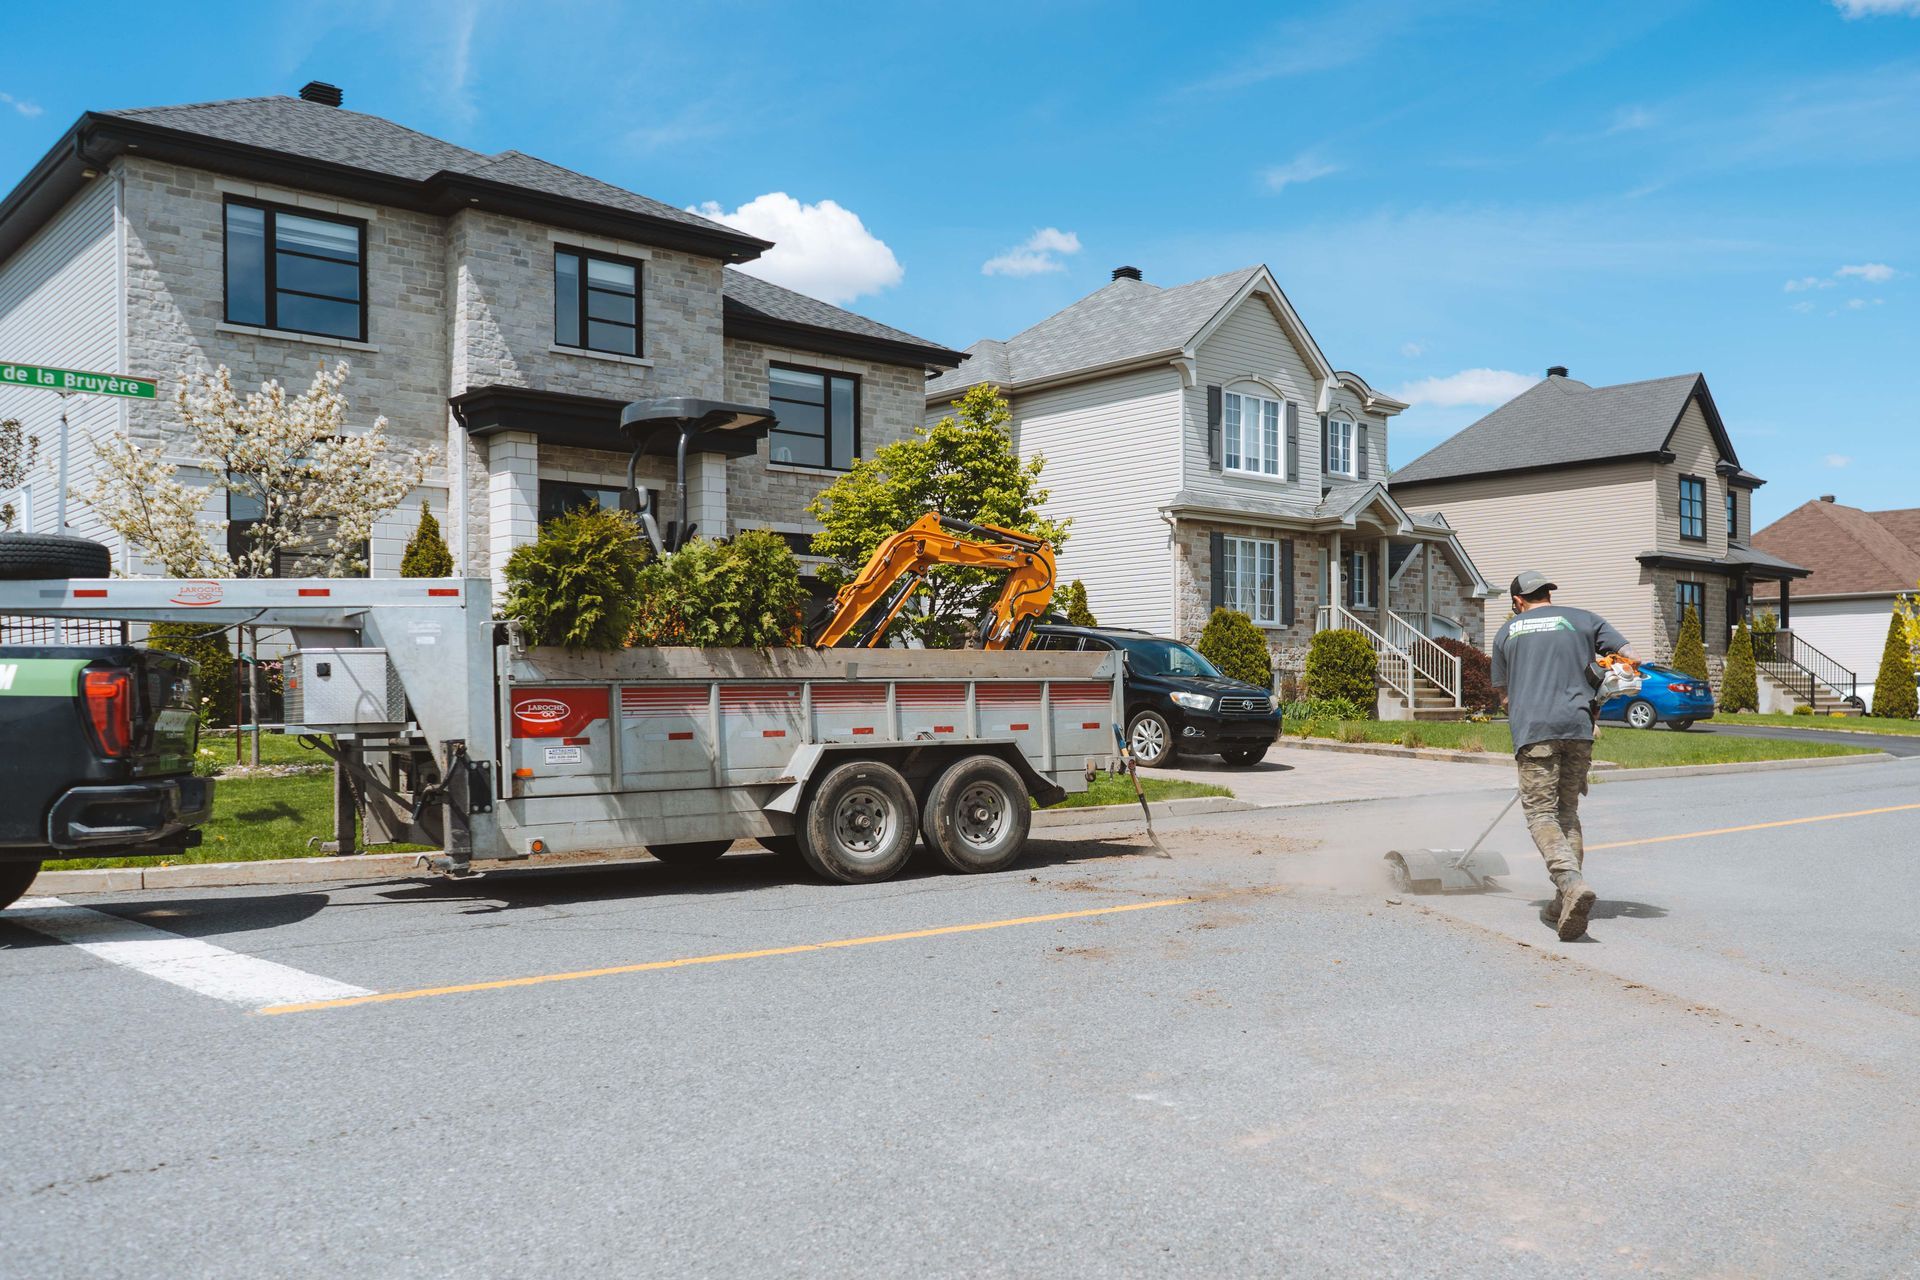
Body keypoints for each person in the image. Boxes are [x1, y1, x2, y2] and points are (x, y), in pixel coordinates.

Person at [1489, 570, 1638, 941]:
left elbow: (1504, 696)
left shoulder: (1507, 631)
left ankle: (1571, 884)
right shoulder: (1585, 619)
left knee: (1541, 814)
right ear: (1548, 595)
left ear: (1517, 601)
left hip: (1534, 732)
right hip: (1578, 727)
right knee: (1566, 812)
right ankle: (1563, 899)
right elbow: (1631, 659)